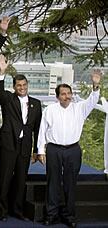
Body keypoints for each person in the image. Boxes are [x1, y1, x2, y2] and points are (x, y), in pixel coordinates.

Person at [37, 70, 102, 227]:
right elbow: (42, 131)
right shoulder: (50, 110)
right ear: (57, 96)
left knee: (70, 183)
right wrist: (40, 150)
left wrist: (95, 84)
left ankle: (69, 216)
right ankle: (51, 215)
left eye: (69, 93)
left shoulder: (80, 108)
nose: (67, 96)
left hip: (73, 150)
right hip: (54, 149)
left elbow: (93, 100)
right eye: (63, 94)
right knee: (53, 182)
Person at [0, 54, 41, 222]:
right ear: (14, 87)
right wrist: (2, 72)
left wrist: (37, 150)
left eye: (24, 85)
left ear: (27, 85)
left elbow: (37, 129)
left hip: (25, 146)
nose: (22, 87)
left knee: (21, 181)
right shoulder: (8, 99)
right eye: (19, 85)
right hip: (8, 144)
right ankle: (2, 211)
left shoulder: (36, 103)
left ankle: (17, 210)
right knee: (5, 179)